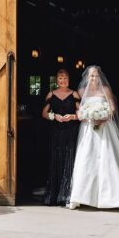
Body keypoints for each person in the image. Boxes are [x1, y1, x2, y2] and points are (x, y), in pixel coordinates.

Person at [68, 65, 119, 210]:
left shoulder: (105, 90)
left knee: (108, 158)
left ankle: (113, 197)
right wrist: (87, 116)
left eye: (96, 76)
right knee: (87, 159)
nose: (94, 78)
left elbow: (112, 107)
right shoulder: (81, 91)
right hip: (88, 130)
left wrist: (103, 116)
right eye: (91, 76)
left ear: (100, 77)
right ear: (87, 78)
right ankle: (83, 197)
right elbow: (79, 110)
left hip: (105, 128)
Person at [40, 67, 80, 206]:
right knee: (56, 159)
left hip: (70, 130)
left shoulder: (74, 94)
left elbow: (80, 113)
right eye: (60, 78)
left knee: (69, 158)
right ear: (57, 80)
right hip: (56, 131)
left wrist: (72, 117)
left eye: (65, 78)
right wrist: (54, 116)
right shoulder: (51, 94)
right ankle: (55, 194)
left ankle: (67, 194)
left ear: (69, 80)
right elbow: (44, 113)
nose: (63, 81)